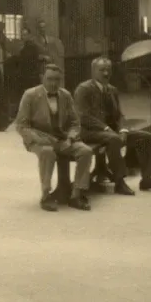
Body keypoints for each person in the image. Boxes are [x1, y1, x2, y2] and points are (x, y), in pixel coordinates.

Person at [73, 57, 151, 194]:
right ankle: (119, 182)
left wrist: (123, 129)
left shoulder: (112, 90)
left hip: (111, 131)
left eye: (108, 70)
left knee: (145, 137)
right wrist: (106, 129)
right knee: (114, 139)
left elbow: (119, 115)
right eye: (102, 70)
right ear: (93, 71)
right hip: (89, 132)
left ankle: (147, 179)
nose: (106, 73)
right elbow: (83, 116)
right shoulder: (84, 89)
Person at [15, 64, 93, 211]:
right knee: (47, 152)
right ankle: (45, 195)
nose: (53, 83)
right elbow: (21, 125)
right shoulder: (30, 95)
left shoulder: (65, 95)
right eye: (49, 79)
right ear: (42, 78)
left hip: (62, 138)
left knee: (85, 151)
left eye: (57, 79)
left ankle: (76, 194)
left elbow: (75, 123)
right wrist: (40, 139)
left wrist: (70, 139)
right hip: (39, 140)